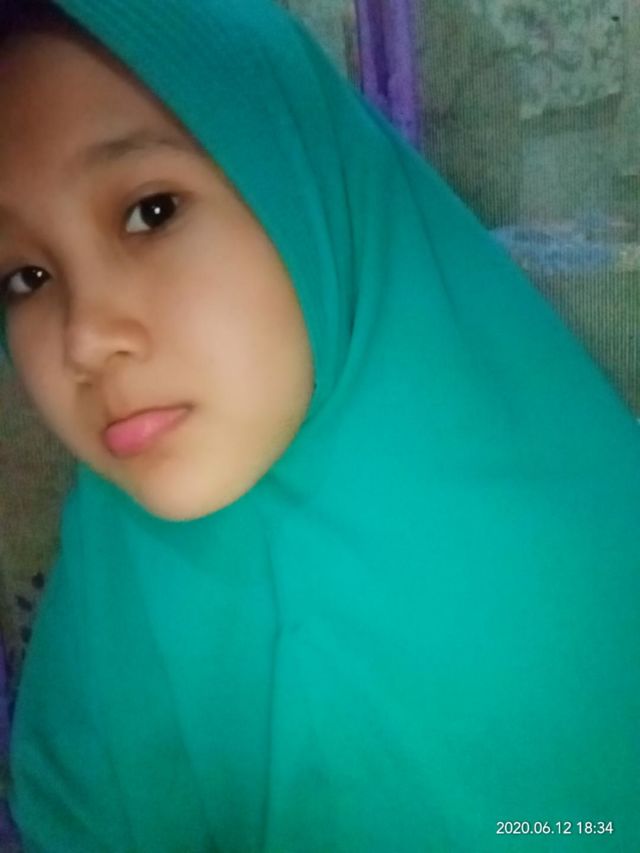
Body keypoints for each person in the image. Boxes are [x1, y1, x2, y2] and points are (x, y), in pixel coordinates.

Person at [1, 1, 639, 850]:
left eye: (151, 211)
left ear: (301, 188)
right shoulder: (114, 554)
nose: (83, 339)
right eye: (25, 276)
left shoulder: (566, 590)